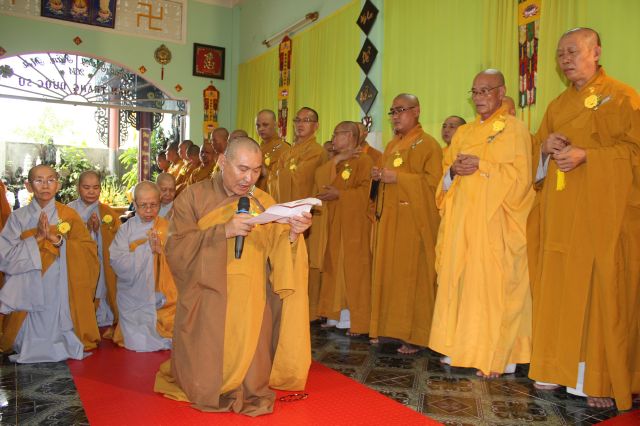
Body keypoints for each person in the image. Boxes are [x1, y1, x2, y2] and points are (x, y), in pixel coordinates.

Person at [154, 137, 312, 416]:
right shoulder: (194, 196)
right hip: (208, 296)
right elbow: (176, 248)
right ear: (222, 162)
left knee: (253, 372)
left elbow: (280, 252)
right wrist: (222, 231)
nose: (249, 178)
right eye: (242, 169)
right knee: (205, 374)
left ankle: (248, 386)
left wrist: (294, 233)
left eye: (256, 170)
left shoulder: (264, 202)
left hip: (252, 301)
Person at [527, 27, 640, 410]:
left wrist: (587, 156)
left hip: (601, 217)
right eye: (560, 53)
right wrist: (545, 148)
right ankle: (554, 367)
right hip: (561, 216)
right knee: (559, 289)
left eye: (573, 51)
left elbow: (635, 154)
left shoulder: (623, 97)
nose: (565, 58)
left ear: (596, 52)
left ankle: (598, 378)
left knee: (597, 292)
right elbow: (536, 160)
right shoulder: (557, 105)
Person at [429, 69, 534, 378]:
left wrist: (483, 166)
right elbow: (444, 177)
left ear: (501, 92)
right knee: (460, 283)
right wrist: (453, 172)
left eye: (486, 91)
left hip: (495, 225)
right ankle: (460, 347)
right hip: (461, 224)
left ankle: (498, 356)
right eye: (475, 92)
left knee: (495, 289)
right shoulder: (463, 133)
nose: (479, 97)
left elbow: (522, 179)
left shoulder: (515, 130)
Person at [0, 165, 100, 362]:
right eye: (39, 180)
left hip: (60, 283)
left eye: (50, 180)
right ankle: (26, 341)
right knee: (30, 322)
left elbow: (88, 251)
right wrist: (36, 239)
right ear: (28, 186)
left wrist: (58, 241)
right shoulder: (17, 218)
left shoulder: (69, 216)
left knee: (56, 315)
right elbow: (5, 256)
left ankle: (60, 339)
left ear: (58, 185)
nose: (45, 185)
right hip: (29, 283)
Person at [370, 94, 442, 354]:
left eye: (401, 110)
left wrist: (398, 178)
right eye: (392, 111)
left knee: (413, 279)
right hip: (390, 222)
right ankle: (389, 330)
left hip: (414, 224)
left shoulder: (428, 145)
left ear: (417, 111)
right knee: (390, 276)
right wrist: (378, 176)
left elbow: (434, 185)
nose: (395, 116)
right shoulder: (392, 146)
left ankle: (416, 336)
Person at [315, 122, 373, 336]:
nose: (333, 138)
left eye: (337, 134)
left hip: (355, 226)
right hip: (336, 223)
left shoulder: (364, 161)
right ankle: (334, 314)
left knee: (352, 270)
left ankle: (353, 319)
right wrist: (337, 159)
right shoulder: (338, 161)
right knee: (334, 266)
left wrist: (340, 195)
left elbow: (368, 193)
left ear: (349, 136)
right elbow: (320, 181)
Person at [269, 107, 325, 320]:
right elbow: (274, 179)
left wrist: (278, 174)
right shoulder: (288, 152)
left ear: (316, 126)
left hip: (304, 218)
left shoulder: (317, 151)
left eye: (307, 120)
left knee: (302, 261)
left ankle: (305, 311)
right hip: (284, 214)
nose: (301, 124)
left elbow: (302, 179)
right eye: (297, 120)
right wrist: (277, 175)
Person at [110, 181, 176, 352]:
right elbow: (117, 261)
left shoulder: (168, 228)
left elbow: (180, 260)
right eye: (143, 205)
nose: (148, 210)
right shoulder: (125, 230)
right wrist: (146, 250)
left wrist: (162, 253)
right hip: (133, 291)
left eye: (153, 205)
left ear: (160, 202)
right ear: (134, 204)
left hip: (160, 289)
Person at [68, 170, 120, 331]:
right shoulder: (69, 211)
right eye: (86, 187)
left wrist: (99, 231)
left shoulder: (107, 212)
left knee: (99, 286)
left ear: (100, 188)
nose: (91, 191)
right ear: (78, 188)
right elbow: (63, 237)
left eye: (95, 187)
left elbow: (118, 238)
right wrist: (87, 229)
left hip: (100, 260)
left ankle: (99, 314)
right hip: (76, 261)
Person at [255, 109, 290, 192]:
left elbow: (285, 180)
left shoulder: (284, 149)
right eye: (258, 125)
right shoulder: (258, 148)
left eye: (265, 125)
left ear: (275, 125)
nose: (261, 129)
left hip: (272, 196)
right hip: (255, 194)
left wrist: (264, 171)